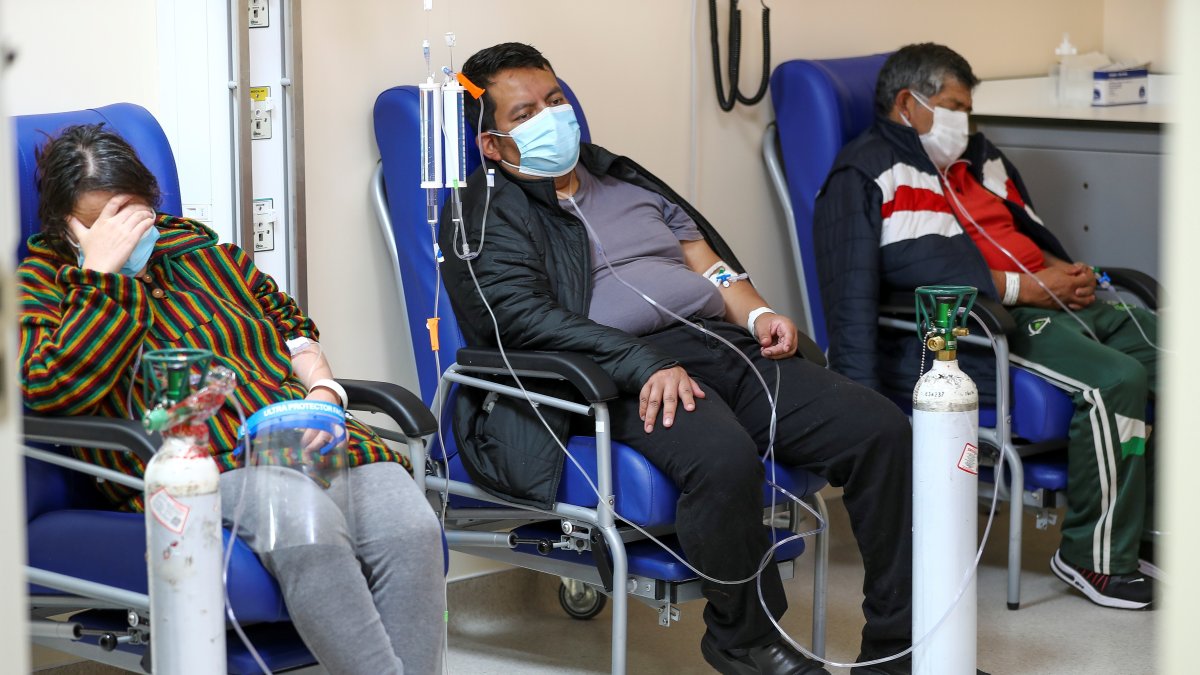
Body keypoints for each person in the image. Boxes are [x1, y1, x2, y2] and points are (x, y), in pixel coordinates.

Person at [439, 42, 918, 675]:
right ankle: (741, 639)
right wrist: (641, 364)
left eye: (555, 101)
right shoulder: (482, 211)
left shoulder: (625, 177)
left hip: (722, 346)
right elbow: (520, 321)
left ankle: (899, 646)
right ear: (493, 145)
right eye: (525, 114)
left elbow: (709, 262)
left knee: (880, 429)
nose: (552, 117)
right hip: (615, 373)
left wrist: (758, 315)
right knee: (722, 457)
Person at [19, 124, 446, 674]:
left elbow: (291, 327)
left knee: (410, 525)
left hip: (307, 436)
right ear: (65, 225)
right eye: (104, 221)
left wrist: (322, 388)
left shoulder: (198, 249)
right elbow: (51, 390)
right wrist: (102, 278)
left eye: (135, 212)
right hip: (200, 464)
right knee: (306, 523)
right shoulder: (44, 281)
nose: (126, 232)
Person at [814, 43, 1158, 611]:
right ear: (908, 103)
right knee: (1113, 380)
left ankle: (1149, 532)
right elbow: (856, 296)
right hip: (986, 324)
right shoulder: (869, 171)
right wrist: (861, 415)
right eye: (952, 106)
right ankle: (1093, 558)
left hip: (1058, 299)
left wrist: (1060, 273)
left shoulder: (982, 158)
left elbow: (1028, 233)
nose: (964, 122)